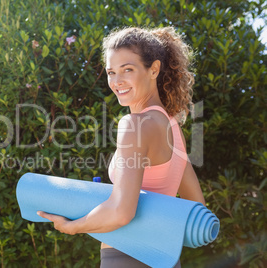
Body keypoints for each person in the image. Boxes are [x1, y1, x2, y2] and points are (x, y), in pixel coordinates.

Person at [37, 26, 206, 268]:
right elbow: (197, 206)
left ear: (154, 69)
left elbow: (122, 212)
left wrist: (73, 226)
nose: (117, 82)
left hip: (126, 258)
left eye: (128, 70)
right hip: (165, 259)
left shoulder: (134, 125)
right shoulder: (171, 126)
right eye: (111, 72)